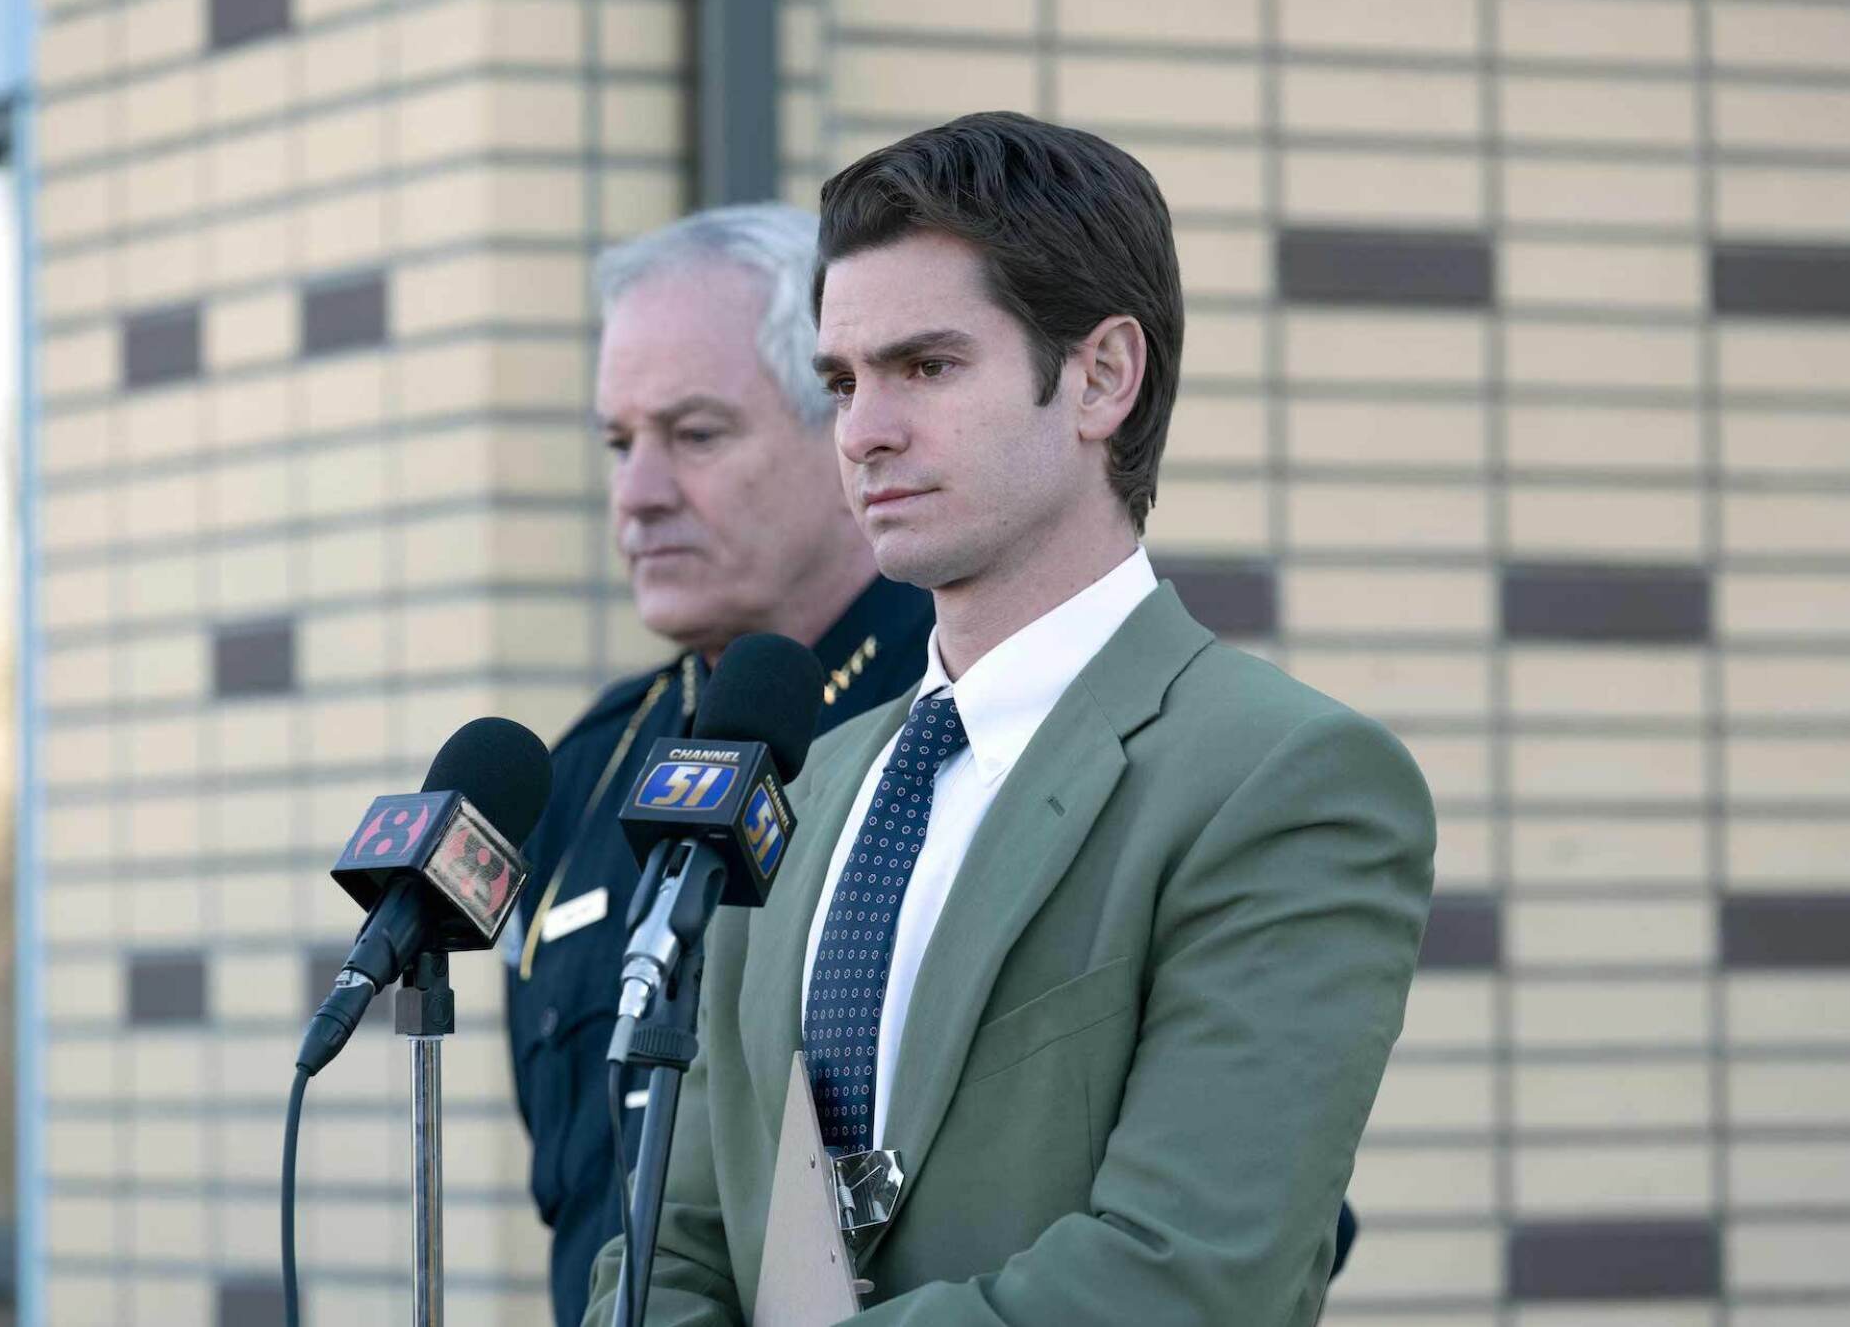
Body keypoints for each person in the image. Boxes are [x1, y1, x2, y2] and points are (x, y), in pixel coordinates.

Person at [585, 113, 1431, 1326]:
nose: (864, 431)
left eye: (925, 367)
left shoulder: (1282, 776)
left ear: (1100, 376)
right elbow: (668, 1243)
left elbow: (1187, 1274)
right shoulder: (805, 780)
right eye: (841, 380)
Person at [504, 203, 935, 1327]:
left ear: (844, 425)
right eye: (617, 443)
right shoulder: (591, 772)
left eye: (695, 435)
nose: (637, 494)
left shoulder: (956, 720)